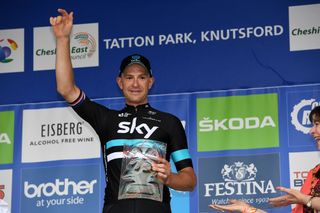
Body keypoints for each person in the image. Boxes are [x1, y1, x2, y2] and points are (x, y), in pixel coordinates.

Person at [50, 8, 196, 213]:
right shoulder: (107, 119)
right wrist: (63, 39)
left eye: (142, 77)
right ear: (120, 82)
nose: (135, 83)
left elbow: (189, 179)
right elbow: (66, 89)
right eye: (129, 77)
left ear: (150, 82)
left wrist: (170, 177)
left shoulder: (169, 122)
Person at [209, 106, 320, 213]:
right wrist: (247, 209)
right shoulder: (314, 173)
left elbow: (305, 200)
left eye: (317, 124)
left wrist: (304, 199)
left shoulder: (306, 194)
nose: (311, 131)